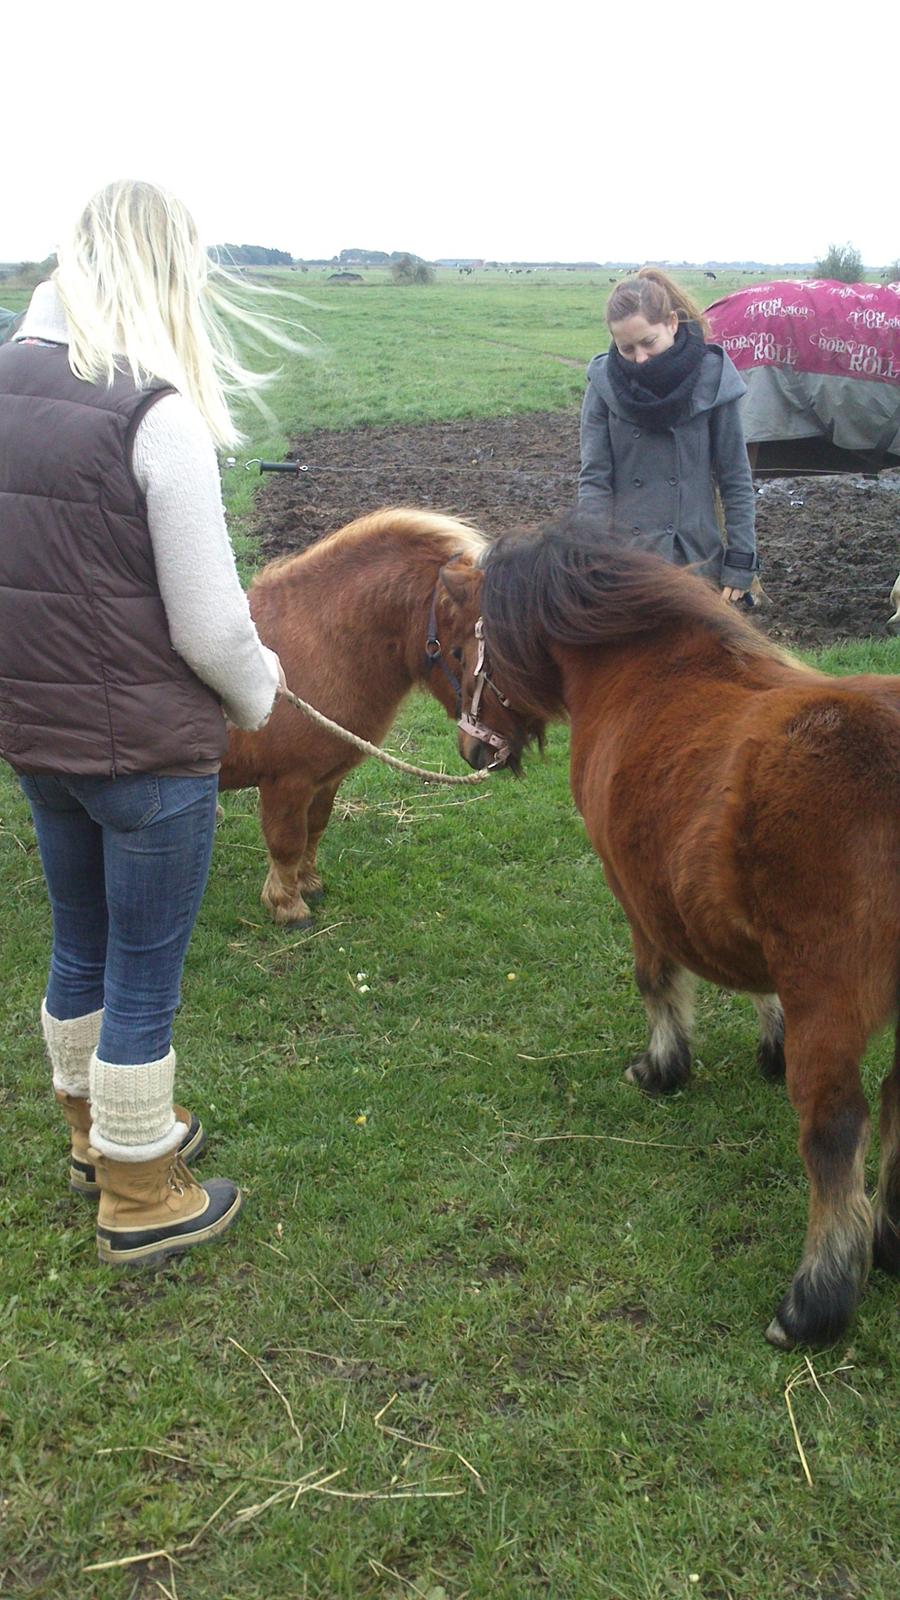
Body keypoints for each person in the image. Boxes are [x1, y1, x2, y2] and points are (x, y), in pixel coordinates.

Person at [0, 180, 298, 1269]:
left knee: (78, 942)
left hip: (37, 738)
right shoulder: (152, 413)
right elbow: (213, 627)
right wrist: (262, 694)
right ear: (166, 272)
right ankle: (139, 1192)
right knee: (142, 973)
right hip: (148, 761)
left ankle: (91, 1132)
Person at [578, 267, 758, 601]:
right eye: (626, 348)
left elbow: (735, 479)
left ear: (672, 323)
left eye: (648, 343)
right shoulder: (603, 385)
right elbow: (595, 481)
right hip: (625, 564)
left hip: (696, 562)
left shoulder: (713, 378)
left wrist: (740, 562)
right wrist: (591, 558)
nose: (640, 359)